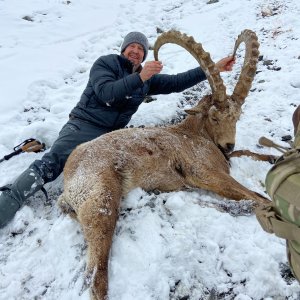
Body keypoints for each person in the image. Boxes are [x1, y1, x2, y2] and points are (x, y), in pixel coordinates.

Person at [0, 32, 235, 228]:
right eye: (131, 46)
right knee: (54, 161)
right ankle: (9, 200)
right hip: (84, 125)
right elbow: (107, 93)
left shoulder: (146, 78)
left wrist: (212, 68)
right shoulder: (106, 64)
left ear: (144, 53)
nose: (135, 51)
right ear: (123, 50)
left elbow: (176, 82)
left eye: (140, 48)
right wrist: (141, 77)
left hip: (111, 136)